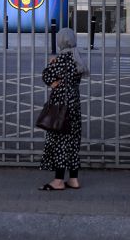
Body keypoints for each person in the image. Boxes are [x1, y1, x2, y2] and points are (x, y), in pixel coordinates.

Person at [38, 28, 89, 191]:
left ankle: (58, 180)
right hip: (74, 104)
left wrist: (52, 67)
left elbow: (46, 75)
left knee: (59, 141)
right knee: (73, 141)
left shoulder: (61, 59)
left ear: (61, 42)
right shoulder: (77, 58)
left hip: (61, 106)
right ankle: (73, 179)